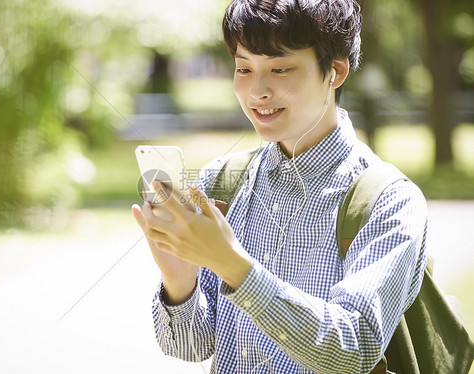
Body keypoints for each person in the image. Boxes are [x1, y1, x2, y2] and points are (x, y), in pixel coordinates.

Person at [131, 0, 428, 372]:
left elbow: (354, 348)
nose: (257, 91)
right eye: (243, 68)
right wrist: (179, 280)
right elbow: (193, 346)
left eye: (280, 69)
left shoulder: (389, 200)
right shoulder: (221, 182)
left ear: (334, 72)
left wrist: (234, 266)